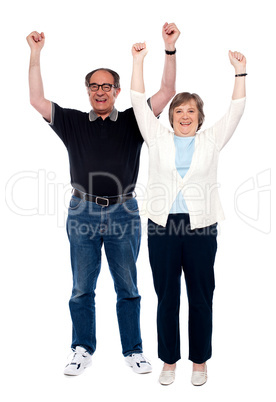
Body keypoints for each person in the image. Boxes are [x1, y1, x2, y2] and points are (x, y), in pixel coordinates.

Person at [26, 23, 180, 376]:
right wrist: (35, 55)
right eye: (94, 86)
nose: (100, 91)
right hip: (82, 211)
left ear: (117, 90)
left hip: (124, 212)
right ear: (88, 91)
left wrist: (168, 48)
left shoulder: (133, 121)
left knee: (128, 285)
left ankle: (133, 350)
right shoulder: (73, 123)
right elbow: (36, 99)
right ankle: (82, 348)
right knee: (82, 286)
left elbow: (168, 89)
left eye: (106, 86)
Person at [131, 43, 246, 385]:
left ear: (199, 117)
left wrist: (239, 72)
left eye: (191, 111)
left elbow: (237, 110)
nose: (184, 116)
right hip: (162, 227)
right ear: (171, 116)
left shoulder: (211, 140)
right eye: (179, 110)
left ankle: (199, 361)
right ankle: (169, 360)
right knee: (167, 296)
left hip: (200, 228)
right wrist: (138, 61)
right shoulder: (156, 137)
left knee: (200, 294)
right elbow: (138, 102)